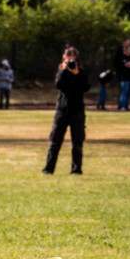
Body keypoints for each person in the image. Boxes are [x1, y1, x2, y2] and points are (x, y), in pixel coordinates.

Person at [42, 46, 90, 175]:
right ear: (64, 58)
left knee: (77, 142)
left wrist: (77, 74)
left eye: (73, 56)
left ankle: (76, 169)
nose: (71, 59)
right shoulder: (61, 71)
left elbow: (85, 87)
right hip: (62, 110)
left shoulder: (82, 72)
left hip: (77, 110)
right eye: (68, 56)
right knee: (55, 141)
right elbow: (58, 85)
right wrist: (64, 70)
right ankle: (48, 169)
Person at [113, 37, 130, 111]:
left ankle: (126, 106)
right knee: (124, 92)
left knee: (128, 93)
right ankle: (122, 106)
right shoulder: (121, 54)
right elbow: (126, 64)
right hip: (124, 77)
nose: (129, 50)